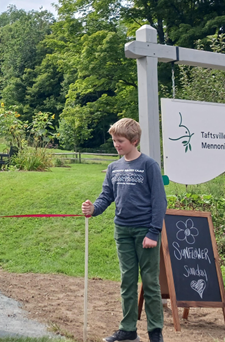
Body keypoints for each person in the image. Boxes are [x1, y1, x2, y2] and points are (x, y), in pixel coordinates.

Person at [82, 118, 167, 342]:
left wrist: (153, 232)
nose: (116, 145)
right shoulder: (113, 167)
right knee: (127, 280)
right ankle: (128, 329)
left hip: (145, 232)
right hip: (123, 230)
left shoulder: (149, 165)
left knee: (150, 281)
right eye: (114, 141)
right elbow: (106, 196)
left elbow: (160, 202)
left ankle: (155, 331)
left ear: (134, 140)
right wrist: (93, 209)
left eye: (120, 141)